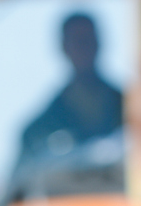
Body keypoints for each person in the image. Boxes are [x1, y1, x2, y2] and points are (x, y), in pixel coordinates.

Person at [14, 11, 125, 179]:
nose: (84, 48)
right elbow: (19, 188)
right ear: (64, 48)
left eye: (89, 41)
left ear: (99, 44)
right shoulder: (38, 132)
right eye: (78, 42)